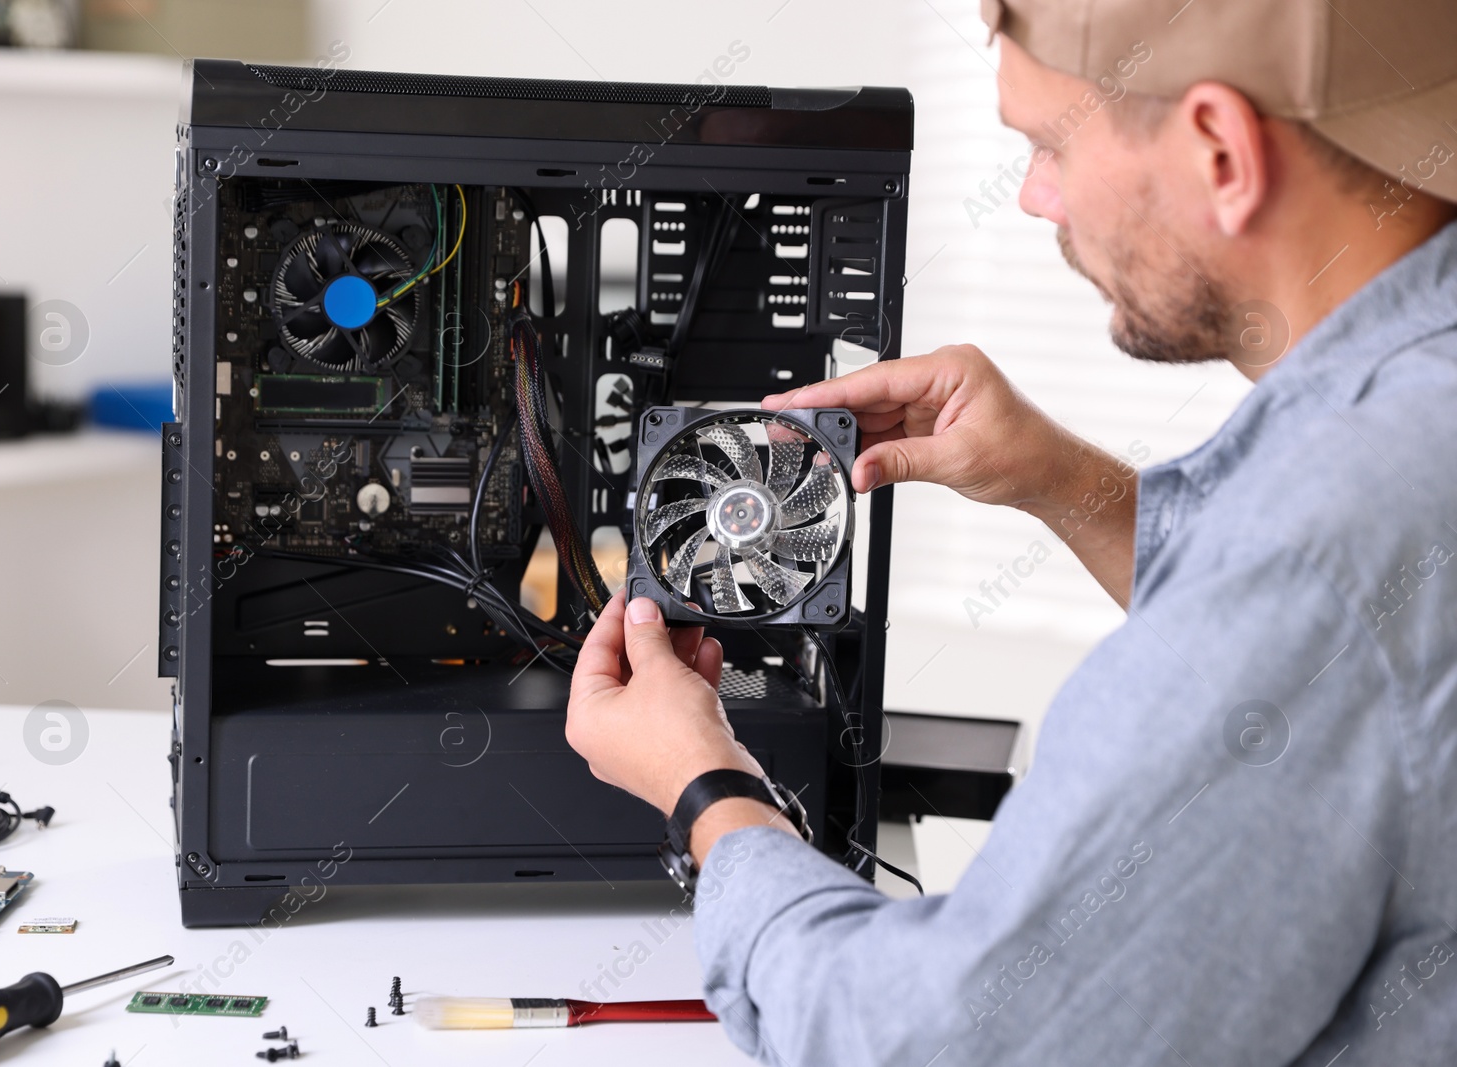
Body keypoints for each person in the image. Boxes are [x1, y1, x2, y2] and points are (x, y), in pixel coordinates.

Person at [565, 0, 1457, 1063]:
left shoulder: (1327, 529)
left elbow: (934, 1042)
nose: (1033, 195)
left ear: (1221, 148)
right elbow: (1362, 676)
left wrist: (708, 788)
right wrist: (1066, 483)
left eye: (1046, 145)